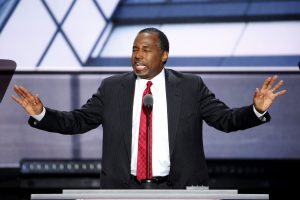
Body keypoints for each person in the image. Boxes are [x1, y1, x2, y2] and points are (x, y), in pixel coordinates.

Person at [12, 27, 286, 189]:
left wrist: (255, 110)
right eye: (134, 50)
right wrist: (41, 113)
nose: (137, 55)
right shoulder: (112, 87)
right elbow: (78, 121)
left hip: (178, 189)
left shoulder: (190, 86)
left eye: (145, 49)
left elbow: (225, 120)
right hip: (123, 189)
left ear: (164, 55)